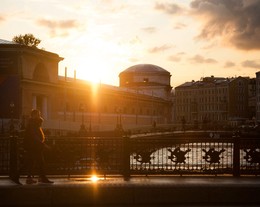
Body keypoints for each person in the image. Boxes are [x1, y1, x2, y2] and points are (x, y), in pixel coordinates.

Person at [24, 109, 53, 184]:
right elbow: (34, 136)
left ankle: (35, 178)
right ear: (33, 115)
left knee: (32, 162)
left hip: (34, 146)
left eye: (39, 114)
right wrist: (42, 144)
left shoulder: (34, 123)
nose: (39, 116)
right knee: (39, 162)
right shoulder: (33, 124)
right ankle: (42, 178)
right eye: (37, 114)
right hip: (34, 146)